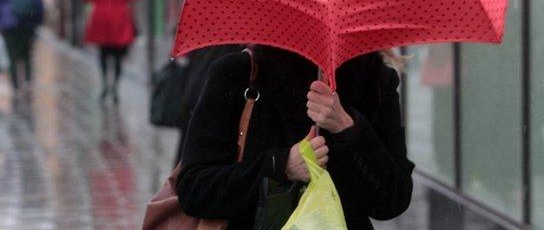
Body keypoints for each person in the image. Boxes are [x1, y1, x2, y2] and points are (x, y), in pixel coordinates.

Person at [177, 46, 415, 229]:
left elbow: (393, 200)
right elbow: (194, 188)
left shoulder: (376, 81)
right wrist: (281, 165)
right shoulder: (239, 74)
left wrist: (348, 128)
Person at [83, 0, 139, 103]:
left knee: (103, 53)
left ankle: (104, 84)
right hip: (119, 19)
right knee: (118, 55)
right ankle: (114, 86)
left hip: (101, 19)